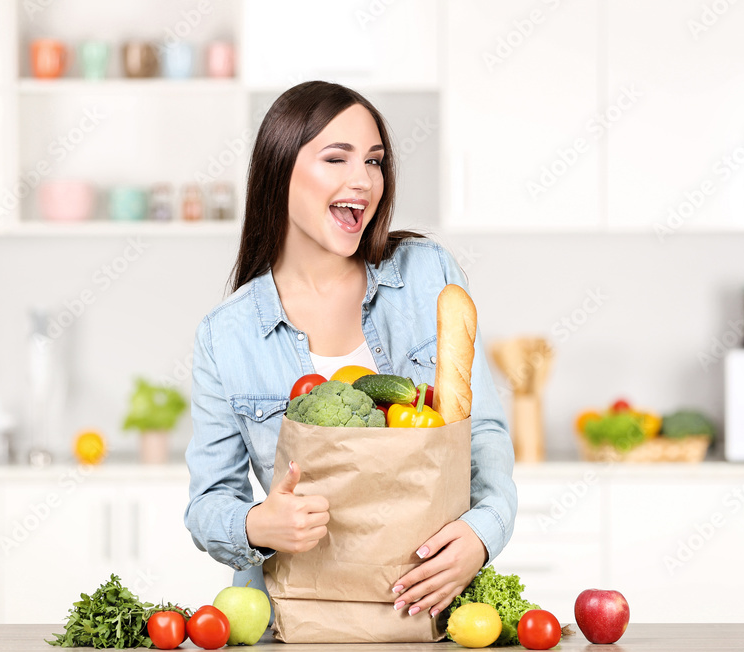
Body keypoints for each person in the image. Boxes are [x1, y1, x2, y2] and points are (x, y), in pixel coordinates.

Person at [184, 81, 517, 620]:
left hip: (425, 613)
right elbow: (208, 504)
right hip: (292, 625)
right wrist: (256, 525)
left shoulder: (428, 275)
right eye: (336, 158)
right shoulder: (227, 336)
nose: (362, 181)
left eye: (375, 161)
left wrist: (481, 534)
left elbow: (483, 434)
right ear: (279, 170)